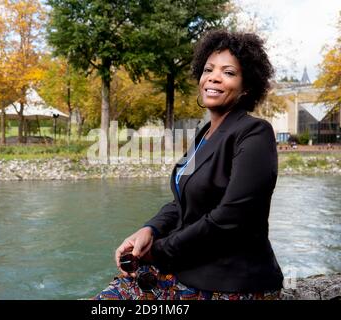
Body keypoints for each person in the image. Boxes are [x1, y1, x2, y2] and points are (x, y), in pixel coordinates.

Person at [93, 30, 284, 300]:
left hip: (234, 284)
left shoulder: (255, 133)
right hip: (189, 269)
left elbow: (233, 217)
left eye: (229, 72)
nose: (214, 77)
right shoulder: (203, 134)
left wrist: (158, 251)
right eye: (208, 69)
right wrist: (150, 230)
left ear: (247, 86)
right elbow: (181, 202)